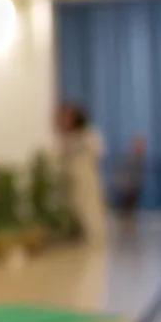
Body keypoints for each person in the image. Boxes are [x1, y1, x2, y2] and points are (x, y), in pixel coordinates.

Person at [56, 102, 107, 245]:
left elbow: (98, 154)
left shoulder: (90, 134)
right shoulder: (66, 138)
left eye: (68, 117)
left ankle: (95, 238)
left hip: (87, 177)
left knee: (89, 207)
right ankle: (79, 237)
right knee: (75, 207)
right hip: (71, 179)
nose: (65, 120)